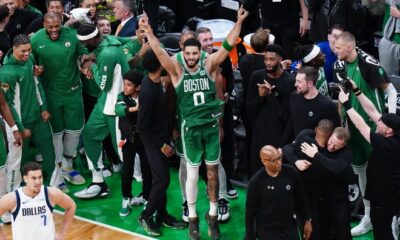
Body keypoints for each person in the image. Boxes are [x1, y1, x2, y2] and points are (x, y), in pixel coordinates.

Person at [140, 6, 248, 239]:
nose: (191, 57)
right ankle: (192, 218)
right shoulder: (177, 70)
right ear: (183, 53)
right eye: (187, 54)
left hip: (209, 127)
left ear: (200, 53)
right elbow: (159, 53)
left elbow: (228, 45)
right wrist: (149, 33)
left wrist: (238, 23)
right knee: (190, 174)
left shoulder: (209, 65)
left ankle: (211, 215)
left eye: (194, 54)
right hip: (189, 129)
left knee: (212, 173)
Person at [334, 31, 398, 237]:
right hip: (353, 125)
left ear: (350, 47)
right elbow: (343, 97)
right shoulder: (340, 66)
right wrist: (341, 121)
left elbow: (391, 91)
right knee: (361, 171)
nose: (335, 51)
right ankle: (369, 216)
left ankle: (392, 216)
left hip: (374, 126)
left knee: (381, 175)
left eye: (338, 47)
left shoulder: (368, 63)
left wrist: (389, 121)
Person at [30, 12, 87, 191]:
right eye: (50, 27)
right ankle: (57, 169)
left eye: (57, 26)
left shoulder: (72, 35)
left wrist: (86, 62)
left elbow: (84, 53)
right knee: (56, 133)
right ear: (44, 25)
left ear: (62, 23)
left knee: (74, 131)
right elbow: (29, 60)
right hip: (51, 94)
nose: (54, 30)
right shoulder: (36, 39)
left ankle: (68, 165)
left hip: (73, 92)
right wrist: (35, 68)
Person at [0, 34, 56, 211]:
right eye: (23, 51)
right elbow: (7, 105)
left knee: (50, 153)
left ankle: (51, 189)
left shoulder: (30, 59)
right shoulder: (6, 73)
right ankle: (11, 200)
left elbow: (36, 83)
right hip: (19, 125)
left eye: (29, 50)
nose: (27, 54)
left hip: (38, 118)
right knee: (16, 164)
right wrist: (20, 128)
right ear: (13, 49)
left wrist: (44, 107)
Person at [338, 82, 400, 240]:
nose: (377, 123)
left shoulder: (387, 145)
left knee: (383, 232)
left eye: (381, 123)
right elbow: (371, 110)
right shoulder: (391, 133)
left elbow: (361, 125)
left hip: (384, 199)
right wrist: (357, 90)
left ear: (389, 130)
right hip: (385, 196)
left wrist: (347, 104)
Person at [74, 23, 129, 199]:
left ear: (91, 39)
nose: (83, 47)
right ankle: (98, 183)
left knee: (123, 151)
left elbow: (104, 85)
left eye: (84, 43)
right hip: (104, 103)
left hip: (116, 104)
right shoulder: (109, 42)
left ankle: (144, 189)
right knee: (90, 134)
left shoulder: (107, 53)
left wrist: (93, 67)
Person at [137, 49, 186, 236]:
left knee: (161, 179)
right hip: (153, 142)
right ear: (159, 65)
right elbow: (143, 126)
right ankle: (146, 215)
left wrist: (170, 128)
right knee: (163, 180)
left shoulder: (157, 83)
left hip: (161, 138)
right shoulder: (149, 91)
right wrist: (161, 145)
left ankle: (162, 215)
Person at [195, 26, 235, 221]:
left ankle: (223, 197)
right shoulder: (191, 63)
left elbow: (229, 83)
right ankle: (210, 189)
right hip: (199, 119)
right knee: (200, 161)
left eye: (211, 39)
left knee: (220, 156)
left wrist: (227, 94)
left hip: (219, 115)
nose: (210, 43)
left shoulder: (221, 58)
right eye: (205, 40)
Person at [289, 125, 355, 240]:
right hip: (321, 200)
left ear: (343, 145)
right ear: (329, 135)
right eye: (331, 142)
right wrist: (296, 161)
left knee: (342, 232)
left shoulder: (346, 153)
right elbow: (288, 148)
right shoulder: (313, 138)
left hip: (338, 200)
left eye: (336, 146)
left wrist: (316, 155)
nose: (331, 147)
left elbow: (337, 168)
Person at [246, 44, 295, 176]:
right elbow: (249, 109)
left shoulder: (290, 82)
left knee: (278, 175)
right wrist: (261, 97)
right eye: (266, 59)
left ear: (280, 60)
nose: (268, 63)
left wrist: (270, 96)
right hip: (259, 135)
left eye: (272, 59)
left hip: (279, 138)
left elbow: (287, 116)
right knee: (257, 174)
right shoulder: (257, 76)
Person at [245, 145, 312, 240]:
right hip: (268, 229)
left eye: (279, 158)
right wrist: (250, 236)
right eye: (274, 160)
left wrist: (307, 220)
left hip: (290, 225)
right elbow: (250, 211)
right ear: (264, 162)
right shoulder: (256, 182)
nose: (279, 163)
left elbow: (301, 197)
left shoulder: (291, 172)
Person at [0, 162, 76, 240]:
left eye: (40, 177)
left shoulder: (51, 194)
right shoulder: (14, 198)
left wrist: (62, 234)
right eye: (34, 178)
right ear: (25, 178)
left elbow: (71, 206)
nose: (38, 182)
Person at [115, 70, 151, 216]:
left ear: (138, 87)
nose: (125, 87)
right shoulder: (121, 96)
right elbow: (118, 110)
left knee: (147, 170)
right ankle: (126, 198)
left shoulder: (145, 96)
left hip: (144, 139)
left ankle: (147, 197)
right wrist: (135, 109)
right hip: (128, 139)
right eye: (124, 84)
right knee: (127, 170)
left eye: (129, 85)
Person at [283, 66, 340, 144]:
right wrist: (282, 145)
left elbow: (335, 131)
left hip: (316, 152)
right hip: (296, 149)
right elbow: (291, 123)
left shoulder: (326, 105)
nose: (295, 84)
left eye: (299, 82)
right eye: (296, 81)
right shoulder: (294, 97)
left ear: (310, 83)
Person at [243, 0, 308, 58]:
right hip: (269, 22)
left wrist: (305, 19)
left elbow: (303, 1)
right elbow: (249, 4)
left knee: (290, 53)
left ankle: (289, 69)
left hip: (289, 22)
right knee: (270, 52)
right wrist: (243, 11)